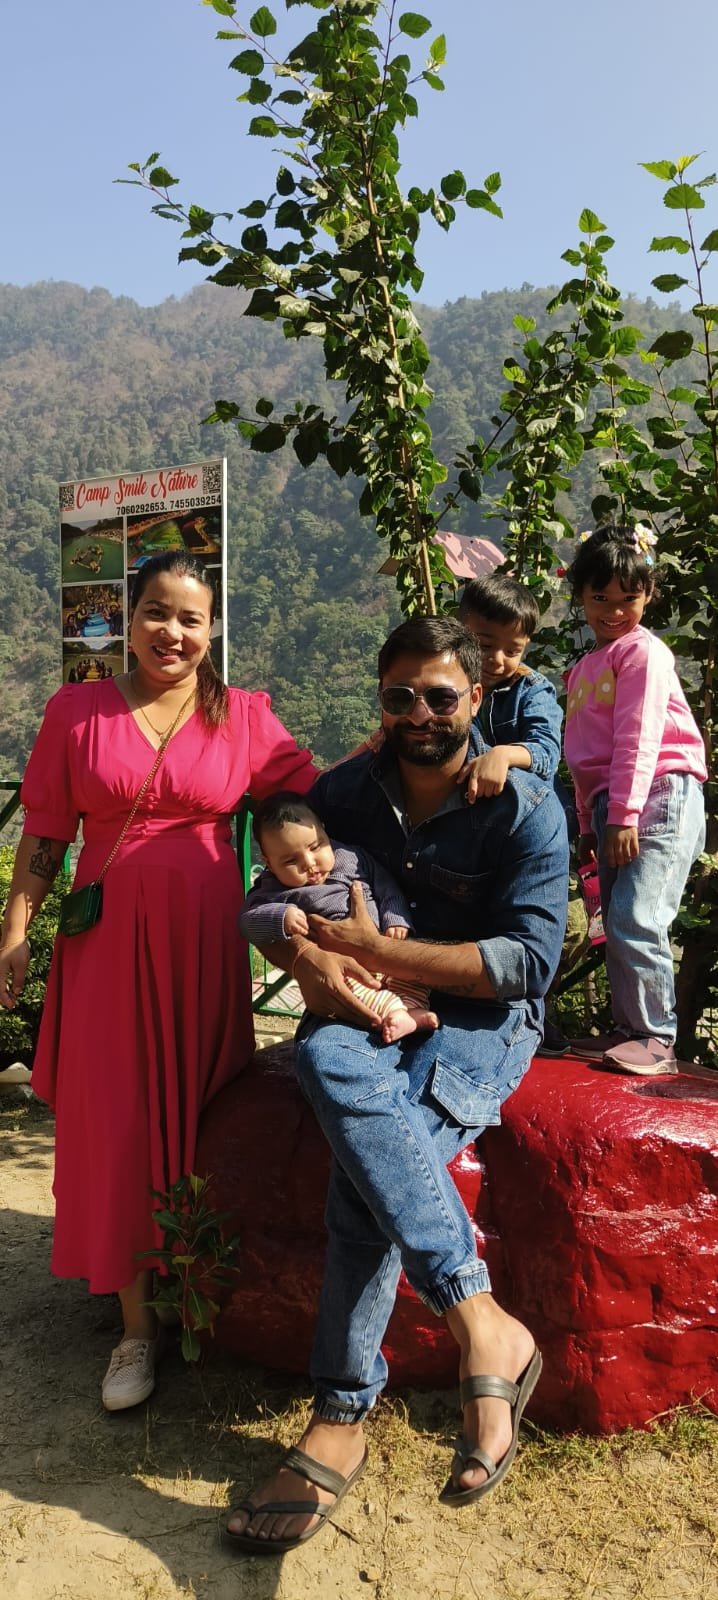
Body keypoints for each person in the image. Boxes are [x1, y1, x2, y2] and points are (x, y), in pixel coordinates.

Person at [225, 616, 568, 1554]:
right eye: (400, 696)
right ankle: (485, 1323)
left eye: (441, 696)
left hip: (482, 1022)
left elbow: (531, 961)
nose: (420, 713)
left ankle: (340, 1412)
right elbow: (272, 888)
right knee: (333, 1064)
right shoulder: (342, 797)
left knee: (366, 1172)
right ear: (381, 702)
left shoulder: (525, 806)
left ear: (476, 701)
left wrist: (383, 949)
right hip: (362, 1011)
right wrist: (304, 956)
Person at [0, 549, 320, 1412]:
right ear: (125, 619)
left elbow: (325, 799)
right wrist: (18, 932)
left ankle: (202, 1289)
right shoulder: (76, 710)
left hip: (204, 944)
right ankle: (136, 1326)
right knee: (119, 1119)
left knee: (204, 1101)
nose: (170, 632)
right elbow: (43, 833)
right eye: (154, 612)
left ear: (212, 630)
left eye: (190, 618)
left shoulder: (246, 716)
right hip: (104, 943)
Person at [562, 524, 707, 1074]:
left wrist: (622, 815)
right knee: (616, 920)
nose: (614, 611)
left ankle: (654, 1037)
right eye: (600, 598)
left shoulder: (643, 653)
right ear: (579, 594)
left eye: (629, 599)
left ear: (648, 596)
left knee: (636, 915)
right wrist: (587, 824)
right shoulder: (582, 669)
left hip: (658, 792)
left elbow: (640, 737)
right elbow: (582, 758)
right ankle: (630, 1030)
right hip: (613, 804)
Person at [240, 792, 439, 1043]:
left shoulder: (351, 857)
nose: (310, 864)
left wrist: (395, 917)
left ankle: (411, 1009)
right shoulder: (273, 888)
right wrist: (281, 916)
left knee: (414, 969)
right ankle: (397, 1014)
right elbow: (248, 920)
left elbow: (385, 885)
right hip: (345, 965)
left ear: (323, 830)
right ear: (268, 862)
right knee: (356, 990)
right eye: (291, 860)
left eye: (316, 846)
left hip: (387, 949)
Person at [457, 573, 562, 798]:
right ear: (458, 630)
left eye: (512, 651)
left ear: (525, 645)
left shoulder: (532, 691)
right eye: (484, 645)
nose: (497, 659)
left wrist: (503, 755)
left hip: (524, 808)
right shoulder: (446, 684)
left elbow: (547, 753)